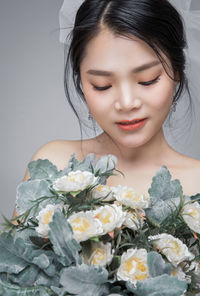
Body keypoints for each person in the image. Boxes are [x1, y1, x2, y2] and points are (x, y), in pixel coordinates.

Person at [12, 0, 200, 219]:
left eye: (147, 80)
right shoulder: (54, 167)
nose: (127, 103)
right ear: (82, 83)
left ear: (176, 71)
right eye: (102, 85)